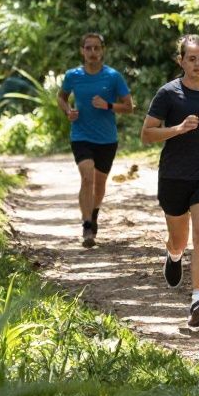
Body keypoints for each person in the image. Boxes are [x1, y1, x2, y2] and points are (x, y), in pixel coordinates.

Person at [141, 34, 199, 329]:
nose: (197, 63)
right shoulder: (168, 94)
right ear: (181, 61)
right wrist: (178, 129)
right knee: (180, 239)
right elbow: (147, 134)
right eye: (191, 58)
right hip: (174, 175)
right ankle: (173, 254)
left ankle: (197, 301)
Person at [58, 33, 134, 247]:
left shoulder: (113, 77)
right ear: (82, 51)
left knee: (99, 183)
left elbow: (129, 107)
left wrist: (108, 105)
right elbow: (61, 97)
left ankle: (94, 213)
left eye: (96, 48)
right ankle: (87, 225)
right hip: (81, 135)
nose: (92, 52)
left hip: (107, 139)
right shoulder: (73, 76)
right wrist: (68, 111)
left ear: (102, 51)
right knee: (87, 177)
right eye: (88, 48)